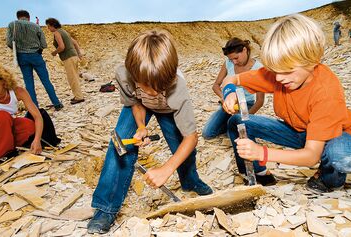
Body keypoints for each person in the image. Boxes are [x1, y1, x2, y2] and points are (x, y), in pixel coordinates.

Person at [221, 14, 351, 193]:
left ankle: (329, 179)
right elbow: (231, 78)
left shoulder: (326, 92)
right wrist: (229, 93)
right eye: (275, 71)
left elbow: (311, 156)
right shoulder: (280, 74)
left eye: (287, 71)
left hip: (331, 137)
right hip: (296, 130)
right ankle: (258, 174)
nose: (279, 78)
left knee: (346, 157)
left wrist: (262, 153)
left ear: (311, 60)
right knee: (237, 121)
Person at [87, 30, 213, 234]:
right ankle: (106, 208)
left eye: (159, 87)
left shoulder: (178, 89)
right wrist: (141, 127)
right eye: (146, 86)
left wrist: (166, 169)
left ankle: (190, 180)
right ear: (133, 74)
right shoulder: (123, 74)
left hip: (168, 109)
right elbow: (136, 101)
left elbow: (191, 137)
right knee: (119, 143)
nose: (153, 92)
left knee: (183, 149)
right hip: (138, 108)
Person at [202, 38, 264, 139]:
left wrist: (245, 117)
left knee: (237, 135)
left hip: (245, 105)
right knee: (207, 134)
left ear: (244, 50)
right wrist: (225, 98)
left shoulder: (258, 69)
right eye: (231, 59)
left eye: (236, 58)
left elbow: (260, 101)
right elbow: (216, 86)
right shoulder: (228, 63)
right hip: (229, 103)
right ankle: (230, 123)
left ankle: (237, 124)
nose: (234, 62)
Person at [6, 10, 63, 110]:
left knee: (29, 83)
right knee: (46, 80)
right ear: (28, 17)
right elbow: (44, 44)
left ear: (18, 17)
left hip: (21, 56)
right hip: (36, 55)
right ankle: (56, 103)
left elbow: (9, 42)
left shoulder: (12, 25)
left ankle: (34, 107)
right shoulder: (36, 26)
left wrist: (19, 48)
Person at [46, 18, 85, 105]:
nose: (48, 29)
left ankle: (79, 97)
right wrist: (79, 54)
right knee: (75, 76)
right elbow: (75, 43)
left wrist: (54, 52)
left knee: (72, 78)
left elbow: (61, 47)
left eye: (48, 26)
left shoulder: (57, 33)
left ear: (53, 25)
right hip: (73, 56)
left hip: (68, 57)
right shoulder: (64, 31)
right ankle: (78, 95)